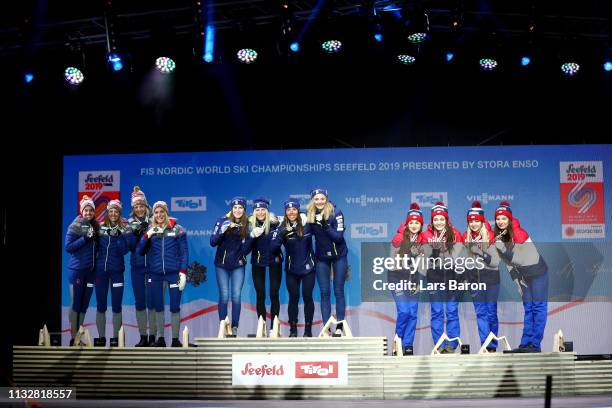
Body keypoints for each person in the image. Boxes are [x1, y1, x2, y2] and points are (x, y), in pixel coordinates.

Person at [494, 201, 548, 353]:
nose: (500, 221)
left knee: (538, 307)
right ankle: (525, 343)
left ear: (510, 219)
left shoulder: (519, 233)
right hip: (524, 276)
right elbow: (509, 264)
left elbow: (523, 259)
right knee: (528, 307)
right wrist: (518, 282)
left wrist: (504, 250)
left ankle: (535, 344)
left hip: (538, 273)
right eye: (498, 219)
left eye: (504, 218)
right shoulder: (500, 236)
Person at [137, 201, 189, 347]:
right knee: (158, 306)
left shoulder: (178, 230)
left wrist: (183, 272)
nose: (159, 215)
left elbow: (184, 253)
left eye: (162, 212)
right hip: (155, 274)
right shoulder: (150, 230)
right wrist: (147, 235)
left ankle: (175, 339)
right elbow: (140, 251)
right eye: (156, 212)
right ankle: (160, 338)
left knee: (174, 307)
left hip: (173, 274)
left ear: (166, 213)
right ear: (153, 214)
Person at [421, 201, 465, 353]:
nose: (439, 222)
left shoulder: (456, 233)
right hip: (434, 278)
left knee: (452, 310)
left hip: (452, 279)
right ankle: (440, 345)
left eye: (442, 219)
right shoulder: (425, 235)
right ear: (432, 221)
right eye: (436, 219)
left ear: (446, 220)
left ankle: (452, 346)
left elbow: (458, 258)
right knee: (437, 311)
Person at [271, 198, 316, 337]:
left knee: (308, 297)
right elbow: (273, 247)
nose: (291, 212)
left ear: (298, 210)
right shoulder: (282, 227)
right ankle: (293, 329)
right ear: (285, 212)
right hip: (292, 270)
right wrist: (282, 232)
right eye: (288, 210)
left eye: (294, 209)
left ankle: (308, 330)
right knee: (293, 298)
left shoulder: (307, 223)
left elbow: (322, 234)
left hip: (308, 268)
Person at [307, 188, 348, 335]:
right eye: (316, 199)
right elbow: (305, 233)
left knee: (338, 291)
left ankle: (339, 327)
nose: (319, 202)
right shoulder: (310, 215)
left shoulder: (336, 213)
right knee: (324, 292)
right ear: (313, 201)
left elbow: (338, 237)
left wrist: (325, 225)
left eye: (322, 198)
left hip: (339, 256)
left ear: (326, 199)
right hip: (322, 257)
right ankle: (326, 329)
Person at [210, 197, 253, 336]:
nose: (238, 210)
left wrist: (250, 237)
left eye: (240, 208)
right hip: (221, 265)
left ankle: (234, 328)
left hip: (238, 265)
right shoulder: (222, 221)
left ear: (244, 210)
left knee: (236, 296)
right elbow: (212, 242)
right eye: (235, 208)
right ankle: (223, 326)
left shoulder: (248, 224)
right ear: (231, 209)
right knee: (224, 295)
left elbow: (245, 251)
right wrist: (223, 230)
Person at [462, 201, 501, 352]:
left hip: (491, 279)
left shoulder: (491, 236)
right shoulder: (465, 237)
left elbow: (495, 261)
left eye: (476, 221)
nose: (473, 224)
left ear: (482, 221)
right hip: (474, 280)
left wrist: (480, 252)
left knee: (491, 312)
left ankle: (493, 346)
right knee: (481, 313)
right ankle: (485, 346)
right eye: (471, 221)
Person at [389, 202, 426, 355]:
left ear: (421, 224)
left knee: (412, 314)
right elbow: (393, 264)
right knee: (404, 312)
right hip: (397, 279)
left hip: (414, 281)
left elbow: (424, 266)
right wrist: (408, 252)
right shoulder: (398, 238)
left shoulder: (423, 240)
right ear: (407, 223)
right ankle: (397, 342)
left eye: (417, 222)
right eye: (411, 222)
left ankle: (407, 346)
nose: (414, 225)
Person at [94, 199, 129, 347]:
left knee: (116, 306)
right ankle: (101, 337)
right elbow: (94, 247)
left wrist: (119, 236)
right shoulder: (100, 228)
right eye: (111, 211)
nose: (113, 213)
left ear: (119, 213)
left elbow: (125, 250)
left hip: (117, 272)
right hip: (100, 272)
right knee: (101, 305)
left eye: (116, 211)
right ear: (107, 212)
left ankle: (116, 338)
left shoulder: (124, 228)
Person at [65, 195, 98, 345]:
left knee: (84, 305)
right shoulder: (75, 225)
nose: (88, 213)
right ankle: (73, 339)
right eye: (86, 210)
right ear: (81, 211)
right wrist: (85, 238)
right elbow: (69, 247)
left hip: (90, 273)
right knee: (76, 304)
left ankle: (78, 336)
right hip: (77, 270)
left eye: (91, 210)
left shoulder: (95, 226)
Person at [126, 186, 156, 346]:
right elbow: (129, 246)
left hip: (152, 266)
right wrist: (134, 234)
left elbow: (159, 243)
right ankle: (143, 336)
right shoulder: (129, 223)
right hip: (137, 266)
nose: (139, 209)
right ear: (133, 208)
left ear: (146, 206)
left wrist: (149, 233)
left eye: (141, 206)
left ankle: (153, 337)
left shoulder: (154, 220)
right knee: (140, 302)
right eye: (136, 206)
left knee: (152, 301)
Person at [248, 197, 283, 329]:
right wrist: (251, 236)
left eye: (263, 209)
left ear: (267, 211)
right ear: (254, 211)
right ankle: (261, 326)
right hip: (258, 263)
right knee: (260, 294)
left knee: (274, 293)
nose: (260, 212)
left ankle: (274, 327)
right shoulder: (250, 225)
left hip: (274, 262)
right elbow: (245, 250)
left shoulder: (276, 224)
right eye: (257, 210)